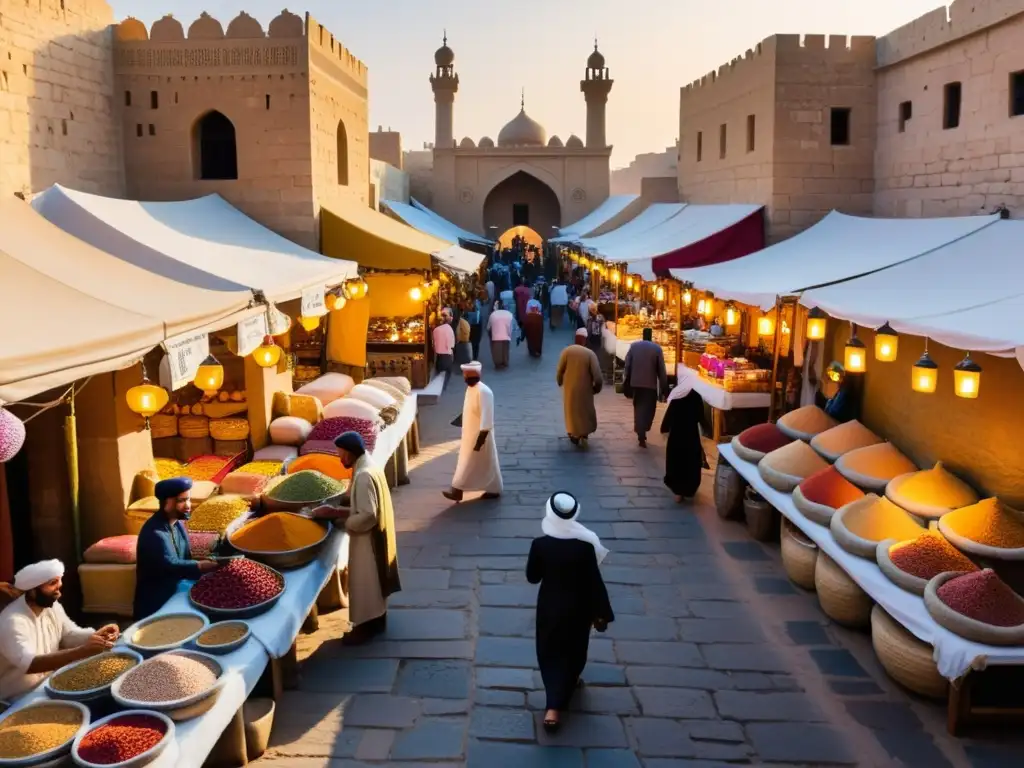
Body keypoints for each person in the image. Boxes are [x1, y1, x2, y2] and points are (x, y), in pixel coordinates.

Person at [527, 492, 614, 733]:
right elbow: (594, 581)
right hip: (579, 608)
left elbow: (532, 577)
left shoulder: (540, 545)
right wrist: (601, 612)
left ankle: (553, 707)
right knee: (575, 648)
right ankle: (570, 680)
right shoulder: (586, 546)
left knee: (550, 651)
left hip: (550, 607)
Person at [312, 432, 401, 644]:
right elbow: (363, 505)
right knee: (374, 586)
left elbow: (368, 514)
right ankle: (377, 621)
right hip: (376, 535)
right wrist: (338, 511)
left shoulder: (363, 476)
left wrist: (342, 521)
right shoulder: (367, 464)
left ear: (351, 453)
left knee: (366, 584)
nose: (339, 458)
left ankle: (364, 629)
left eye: (341, 454)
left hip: (367, 541)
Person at [0, 560, 120, 701]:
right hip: (19, 696)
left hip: (50, 683)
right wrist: (83, 651)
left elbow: (68, 635)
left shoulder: (52, 606)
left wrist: (99, 635)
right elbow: (31, 664)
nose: (59, 589)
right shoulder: (12, 621)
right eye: (52, 584)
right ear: (32, 591)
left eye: (58, 582)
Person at [134, 477, 220, 620]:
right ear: (166, 502)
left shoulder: (178, 526)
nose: (188, 505)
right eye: (181, 501)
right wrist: (201, 566)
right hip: (156, 606)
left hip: (177, 594)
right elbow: (170, 565)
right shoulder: (154, 533)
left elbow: (186, 557)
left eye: (188, 499)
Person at [443, 362, 502, 501]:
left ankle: (457, 490)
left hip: (480, 435)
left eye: (469, 375)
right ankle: (494, 488)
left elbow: (487, 417)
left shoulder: (484, 392)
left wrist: (480, 440)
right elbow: (469, 408)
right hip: (469, 433)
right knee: (483, 464)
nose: (466, 378)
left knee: (468, 463)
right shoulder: (471, 389)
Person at [660, 369, 707, 502]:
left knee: (677, 462)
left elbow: (669, 416)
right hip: (691, 435)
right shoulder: (696, 397)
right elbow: (700, 417)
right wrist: (707, 429)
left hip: (676, 435)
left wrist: (664, 428)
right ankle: (688, 489)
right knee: (690, 462)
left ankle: (678, 492)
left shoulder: (676, 395)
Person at [556, 328, 603, 447]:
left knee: (571, 411)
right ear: (585, 340)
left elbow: (560, 370)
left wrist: (560, 382)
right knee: (585, 411)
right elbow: (597, 376)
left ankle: (573, 433)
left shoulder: (567, 351)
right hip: (585, 390)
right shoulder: (590, 354)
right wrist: (596, 388)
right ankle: (584, 433)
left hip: (570, 389)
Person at [623, 328, 668, 448]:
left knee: (638, 407)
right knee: (649, 409)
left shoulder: (634, 346)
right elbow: (661, 369)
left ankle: (640, 431)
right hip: (650, 385)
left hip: (636, 383)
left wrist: (626, 379)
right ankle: (644, 429)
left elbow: (627, 364)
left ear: (643, 335)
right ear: (651, 336)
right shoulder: (656, 349)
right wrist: (664, 387)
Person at [487, 300, 516, 369]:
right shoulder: (509, 314)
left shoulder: (493, 315)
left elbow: (488, 327)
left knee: (497, 350)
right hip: (506, 336)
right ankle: (505, 362)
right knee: (505, 349)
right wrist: (509, 334)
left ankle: (498, 363)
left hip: (496, 336)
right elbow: (511, 326)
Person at [432, 309, 456, 390]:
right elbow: (451, 344)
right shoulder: (449, 329)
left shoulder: (435, 330)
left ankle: (439, 387)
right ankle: (443, 387)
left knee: (439, 372)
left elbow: (434, 343)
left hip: (438, 355)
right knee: (448, 372)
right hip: (447, 355)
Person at [465, 298, 483, 362]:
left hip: (473, 328)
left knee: (473, 343)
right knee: (475, 344)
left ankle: (473, 357)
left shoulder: (469, 312)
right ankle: (474, 357)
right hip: (475, 328)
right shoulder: (477, 311)